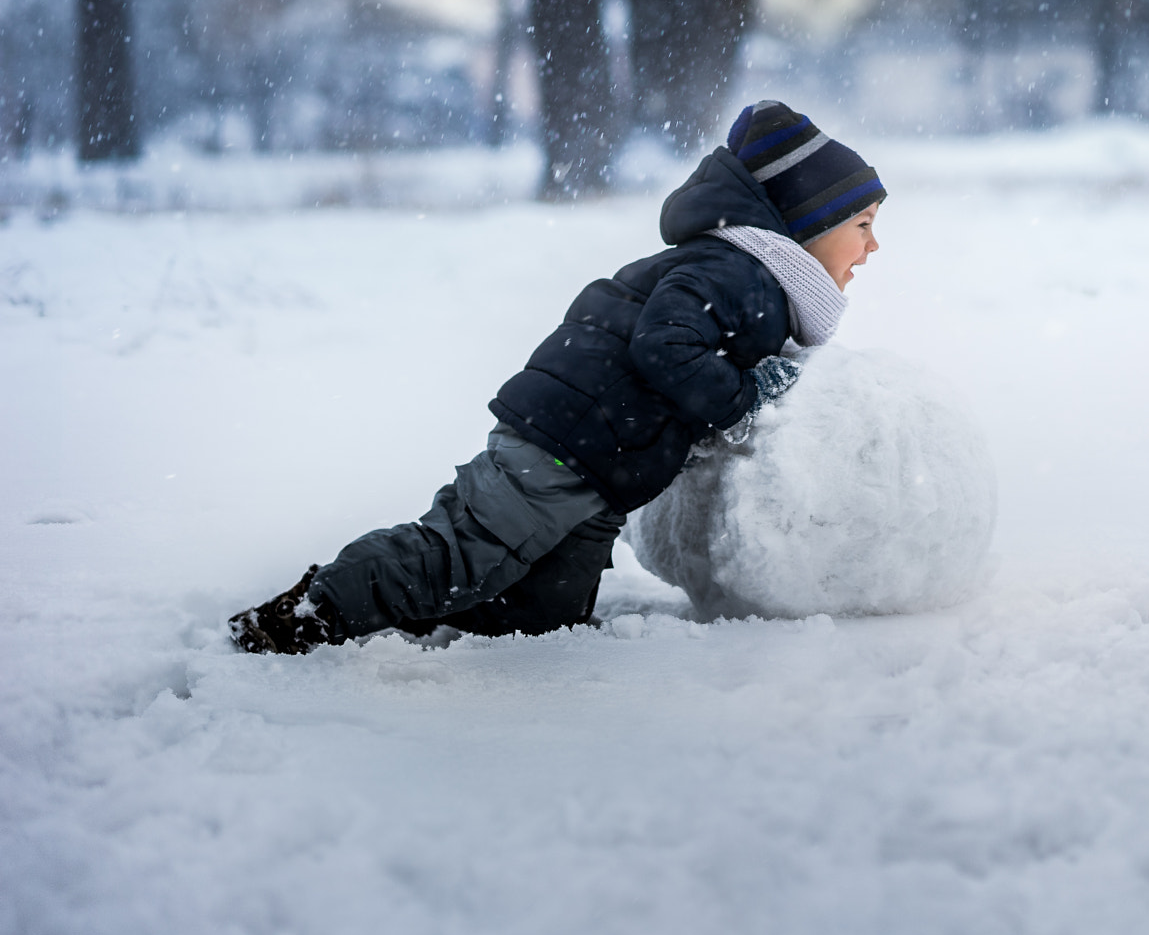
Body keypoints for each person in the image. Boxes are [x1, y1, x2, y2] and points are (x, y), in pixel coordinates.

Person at [228, 101, 884, 653]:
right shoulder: (737, 272)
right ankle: (309, 612)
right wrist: (740, 401)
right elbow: (665, 343)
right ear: (808, 223)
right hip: (561, 448)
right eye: (862, 225)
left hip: (601, 471)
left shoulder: (751, 280)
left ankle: (431, 615)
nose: (872, 247)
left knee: (544, 616)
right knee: (457, 556)